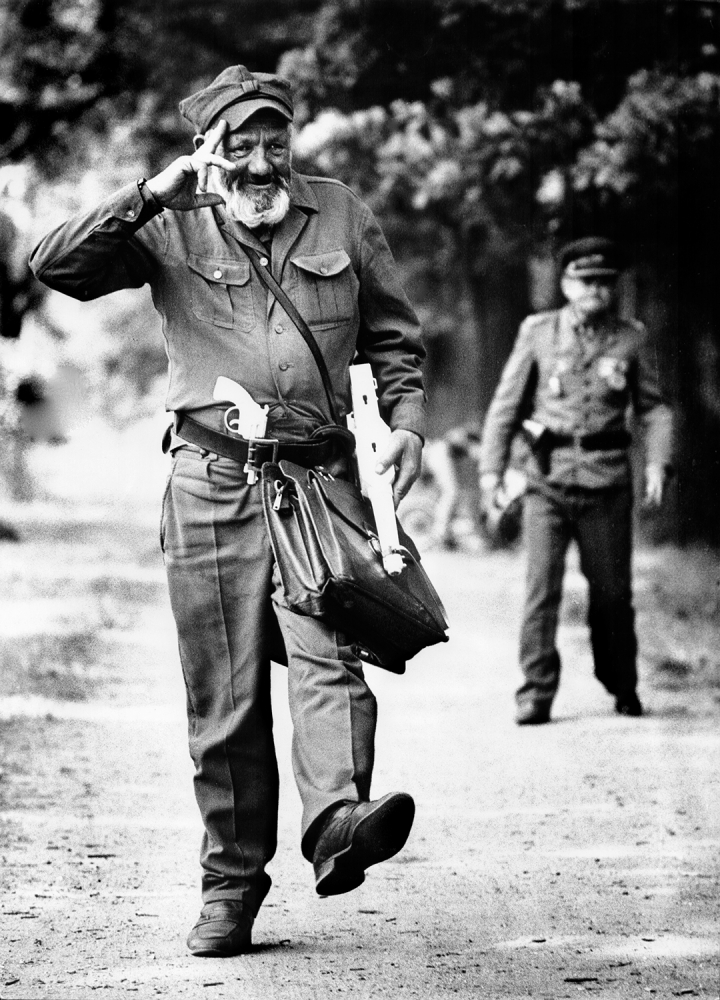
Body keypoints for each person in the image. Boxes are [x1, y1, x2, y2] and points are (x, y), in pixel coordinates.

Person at [30, 65, 426, 956]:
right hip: (211, 482)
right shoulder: (169, 219)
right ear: (206, 147)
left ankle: (337, 821)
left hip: (319, 482)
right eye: (238, 145)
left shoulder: (341, 213)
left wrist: (405, 425)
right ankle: (232, 888)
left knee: (332, 653)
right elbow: (55, 265)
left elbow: (394, 337)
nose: (259, 163)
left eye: (274, 143)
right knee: (227, 696)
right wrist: (148, 194)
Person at [479, 237, 673, 726]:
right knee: (541, 590)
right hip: (547, 479)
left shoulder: (631, 338)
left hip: (607, 482)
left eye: (605, 283)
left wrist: (657, 463)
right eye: (586, 281)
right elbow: (505, 406)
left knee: (612, 595)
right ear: (565, 285)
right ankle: (535, 692)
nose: (595, 291)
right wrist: (491, 472)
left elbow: (654, 409)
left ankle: (621, 681)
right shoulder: (538, 332)